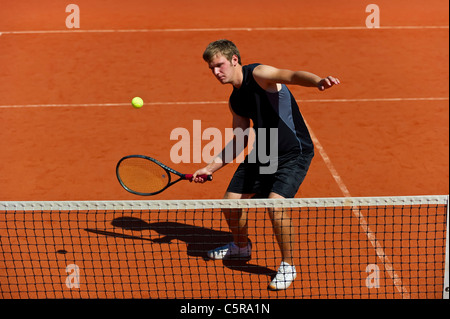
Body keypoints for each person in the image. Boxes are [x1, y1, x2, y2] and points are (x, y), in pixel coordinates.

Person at [193, 39, 340, 290]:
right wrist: (209, 168)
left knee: (275, 205)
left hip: (295, 152)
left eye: (219, 65)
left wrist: (317, 81)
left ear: (234, 60)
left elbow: (292, 75)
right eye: (211, 68)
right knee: (229, 204)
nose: (216, 72)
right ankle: (240, 246)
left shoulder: (259, 74)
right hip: (265, 151)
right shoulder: (236, 100)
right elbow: (239, 142)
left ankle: (288, 265)